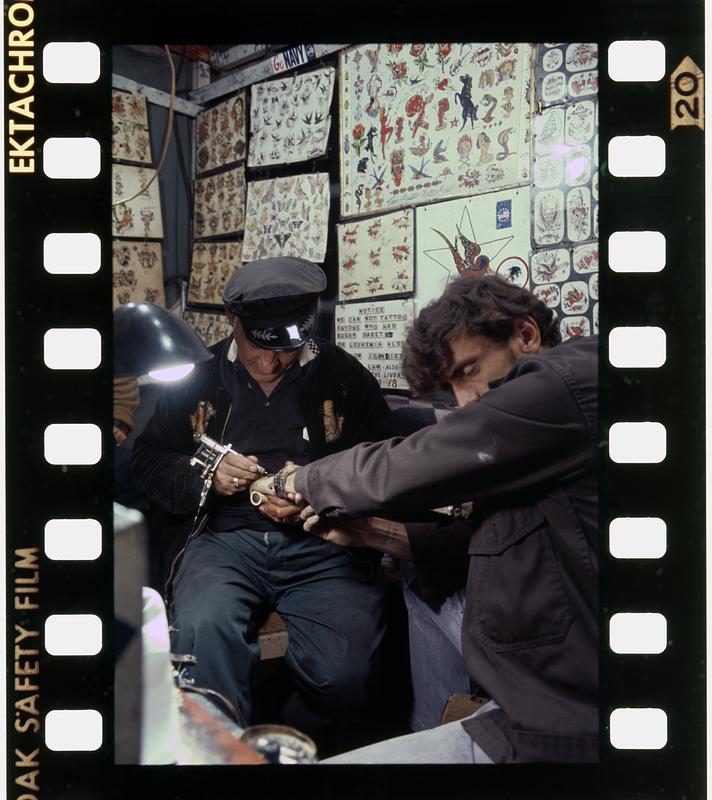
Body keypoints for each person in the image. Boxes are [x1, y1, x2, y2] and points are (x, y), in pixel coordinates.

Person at [251, 274, 598, 764]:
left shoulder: (569, 382)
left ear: (525, 334)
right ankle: (434, 723)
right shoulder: (541, 435)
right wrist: (373, 534)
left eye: (470, 369)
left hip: (564, 714)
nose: (465, 402)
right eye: (450, 388)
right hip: (528, 690)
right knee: (419, 579)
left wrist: (295, 482)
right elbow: (488, 538)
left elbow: (405, 462)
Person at [131, 256, 391, 752]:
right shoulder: (197, 376)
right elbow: (148, 460)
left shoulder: (341, 376)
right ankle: (222, 755)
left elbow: (383, 465)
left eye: (288, 350)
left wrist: (320, 495)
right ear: (233, 319)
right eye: (261, 348)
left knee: (346, 673)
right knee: (204, 638)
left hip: (322, 543)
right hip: (223, 541)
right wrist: (204, 475)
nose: (274, 363)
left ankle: (289, 746)